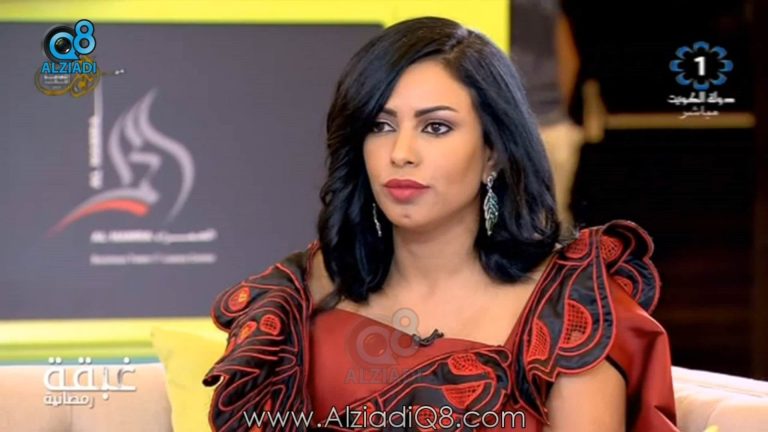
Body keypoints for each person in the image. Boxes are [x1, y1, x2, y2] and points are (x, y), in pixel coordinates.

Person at [202, 17, 678, 432]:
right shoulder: (303, 293)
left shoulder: (569, 309)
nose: (401, 153)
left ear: (493, 152)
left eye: (436, 127)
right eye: (381, 125)